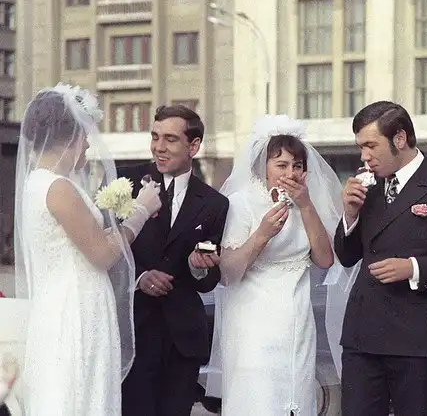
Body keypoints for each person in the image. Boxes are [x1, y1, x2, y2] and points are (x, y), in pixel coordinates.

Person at [13, 84, 162, 415]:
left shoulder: (39, 183)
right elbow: (102, 255)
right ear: (70, 136)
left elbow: (80, 243)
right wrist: (140, 212)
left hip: (64, 303)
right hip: (76, 309)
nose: (89, 144)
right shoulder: (58, 188)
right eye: (85, 134)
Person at [334, 101, 427, 416]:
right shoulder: (366, 186)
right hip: (362, 335)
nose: (364, 156)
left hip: (417, 338)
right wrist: (349, 216)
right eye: (360, 147)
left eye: (371, 145)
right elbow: (347, 258)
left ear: (399, 139)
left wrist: (413, 268)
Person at [209, 115, 344, 415]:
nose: (290, 173)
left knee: (296, 396)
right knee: (260, 398)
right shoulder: (242, 203)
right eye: (281, 165)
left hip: (297, 318)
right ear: (264, 165)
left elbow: (324, 259)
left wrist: (306, 205)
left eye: (297, 165)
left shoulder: (306, 203)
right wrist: (262, 235)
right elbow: (228, 272)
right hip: (254, 319)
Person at [119, 105, 230, 416]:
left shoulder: (215, 204)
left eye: (170, 139)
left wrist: (197, 266)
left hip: (183, 341)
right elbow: (105, 251)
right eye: (155, 137)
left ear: (193, 146)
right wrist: (140, 278)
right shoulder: (124, 183)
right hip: (133, 334)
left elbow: (209, 279)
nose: (159, 147)